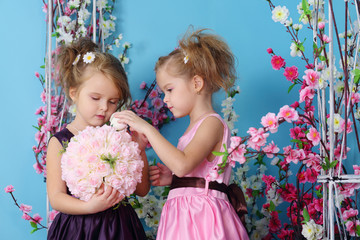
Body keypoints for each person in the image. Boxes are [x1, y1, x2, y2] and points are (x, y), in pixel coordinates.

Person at [113, 28, 249, 240]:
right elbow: (191, 169)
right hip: (185, 215)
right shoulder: (193, 127)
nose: (165, 99)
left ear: (196, 83)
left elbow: (183, 164)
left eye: (169, 89)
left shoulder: (212, 123)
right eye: (163, 93)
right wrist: (176, 179)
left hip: (201, 218)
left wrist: (148, 128)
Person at [46, 37, 150, 240]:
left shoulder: (120, 138)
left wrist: (139, 149)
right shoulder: (59, 142)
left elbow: (142, 189)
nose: (104, 107)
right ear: (74, 93)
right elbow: (56, 198)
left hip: (119, 228)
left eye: (113, 102)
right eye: (95, 98)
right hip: (78, 228)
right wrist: (89, 206)